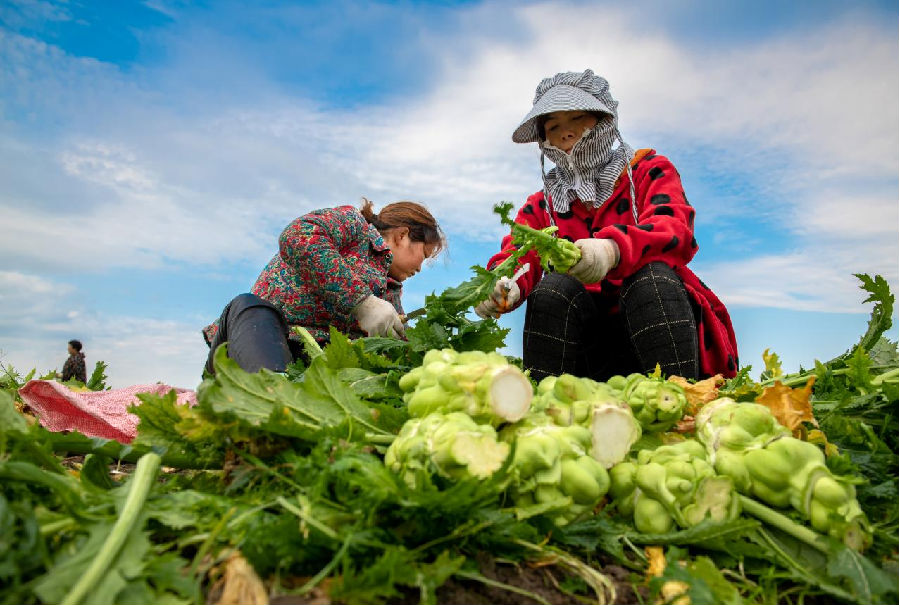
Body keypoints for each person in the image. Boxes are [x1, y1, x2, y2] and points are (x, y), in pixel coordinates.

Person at [475, 69, 738, 382]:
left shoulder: (647, 172)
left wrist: (613, 250)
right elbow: (520, 254)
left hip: (657, 327)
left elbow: (674, 228)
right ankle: (549, 406)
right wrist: (504, 283)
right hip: (585, 350)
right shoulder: (542, 205)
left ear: (603, 120)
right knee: (553, 288)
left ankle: (682, 398)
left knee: (651, 278)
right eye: (554, 126)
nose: (565, 133)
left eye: (576, 119)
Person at [203, 198, 445, 375]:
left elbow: (395, 347)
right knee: (252, 306)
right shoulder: (354, 227)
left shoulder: (390, 295)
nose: (420, 268)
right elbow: (299, 236)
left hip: (309, 369)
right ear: (402, 235)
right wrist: (361, 301)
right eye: (423, 255)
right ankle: (273, 394)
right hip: (255, 345)